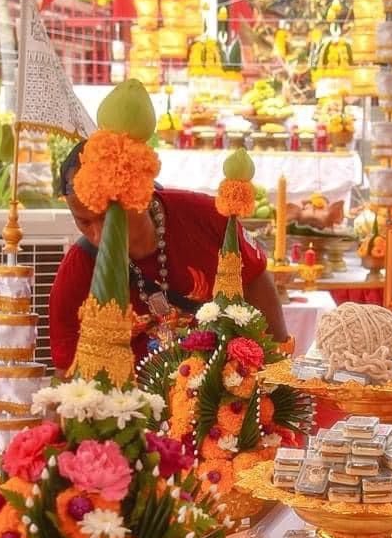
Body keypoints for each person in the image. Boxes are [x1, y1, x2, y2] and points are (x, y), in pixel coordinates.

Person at [49, 145, 288, 371]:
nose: (99, 236)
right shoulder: (79, 268)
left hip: (225, 394)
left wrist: (276, 369)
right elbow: (67, 371)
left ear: (139, 196)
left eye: (107, 218)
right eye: (84, 221)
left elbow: (255, 278)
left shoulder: (207, 217)